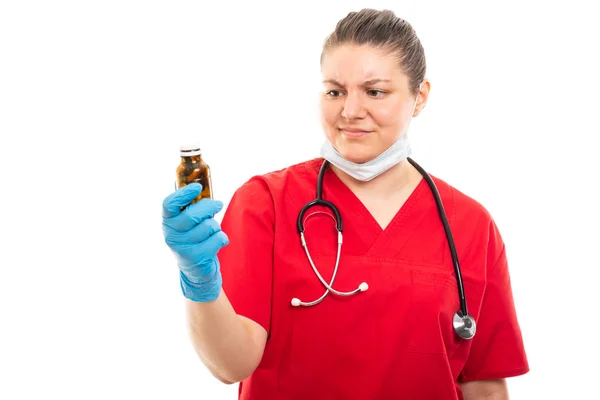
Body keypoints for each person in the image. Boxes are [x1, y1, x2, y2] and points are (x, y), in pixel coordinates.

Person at [161, 8, 529, 400]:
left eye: (375, 91)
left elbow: (484, 386)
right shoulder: (265, 203)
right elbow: (230, 365)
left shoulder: (469, 225)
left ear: (418, 97)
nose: (350, 111)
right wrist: (199, 282)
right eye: (335, 91)